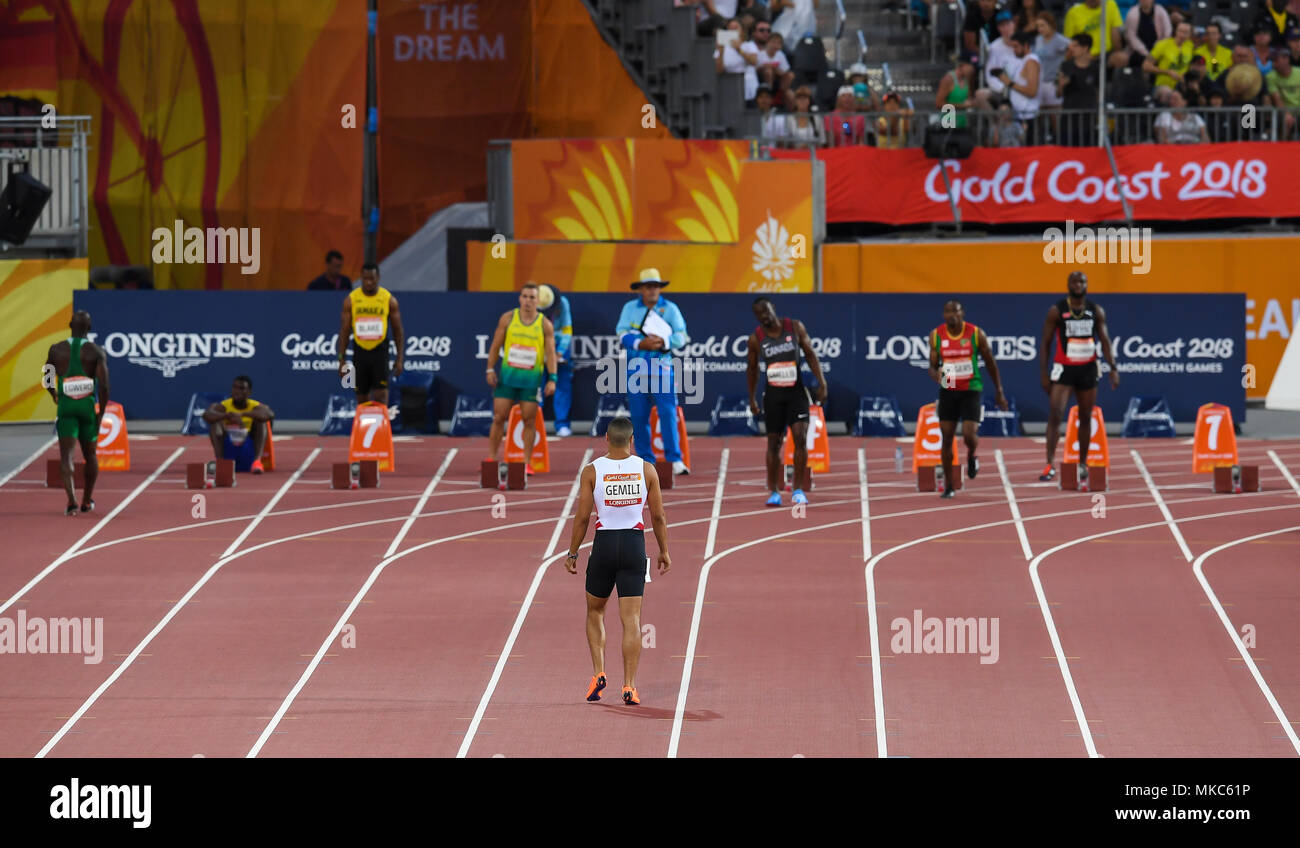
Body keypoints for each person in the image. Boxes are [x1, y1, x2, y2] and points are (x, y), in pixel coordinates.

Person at [563, 416, 670, 706]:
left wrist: (572, 553)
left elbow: (583, 517)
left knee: (595, 612)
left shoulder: (592, 471)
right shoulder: (647, 469)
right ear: (632, 440)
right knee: (631, 620)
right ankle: (629, 686)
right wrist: (664, 550)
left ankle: (598, 672)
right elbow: (658, 516)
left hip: (604, 545)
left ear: (607, 439)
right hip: (634, 545)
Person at [1038, 271, 1120, 485]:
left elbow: (1105, 340)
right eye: (1074, 281)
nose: (1078, 285)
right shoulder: (1057, 311)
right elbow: (1045, 344)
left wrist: (1113, 367)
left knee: (1085, 416)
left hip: (1088, 369)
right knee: (1055, 413)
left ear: (1086, 284)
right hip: (1064, 369)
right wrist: (1044, 374)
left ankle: (1082, 463)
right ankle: (1049, 463)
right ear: (1068, 284)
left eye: (1082, 281)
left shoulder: (1095, 311)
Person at [745, 297, 827, 507]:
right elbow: (752, 369)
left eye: (765, 310)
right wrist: (752, 398)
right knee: (774, 443)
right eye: (758, 313)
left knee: (800, 437)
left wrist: (822, 382)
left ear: (773, 308)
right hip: (773, 396)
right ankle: (774, 490)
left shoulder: (794, 327)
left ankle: (798, 489)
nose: (763, 315)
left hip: (796, 393)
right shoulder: (756, 338)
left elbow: (810, 354)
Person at [928, 301, 1008, 499]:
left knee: (969, 435)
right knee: (946, 438)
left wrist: (999, 390)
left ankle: (972, 455)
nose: (951, 315)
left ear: (962, 313)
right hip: (949, 387)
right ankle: (949, 485)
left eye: (955, 311)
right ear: (943, 314)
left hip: (971, 387)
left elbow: (990, 362)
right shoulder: (936, 335)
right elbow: (932, 365)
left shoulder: (975, 333)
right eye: (947, 311)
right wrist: (936, 375)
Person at [616, 269, 690, 475]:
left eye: (656, 286)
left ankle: (674, 459)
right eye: (648, 286)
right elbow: (621, 334)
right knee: (639, 417)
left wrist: (662, 342)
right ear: (640, 289)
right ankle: (645, 460)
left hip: (663, 369)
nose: (652, 290)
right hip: (635, 370)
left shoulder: (670, 309)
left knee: (668, 413)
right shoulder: (630, 308)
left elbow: (682, 336)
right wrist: (641, 343)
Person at [485, 283, 558, 470]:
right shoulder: (508, 318)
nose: (528, 301)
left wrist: (552, 379)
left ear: (538, 300)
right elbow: (495, 345)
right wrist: (490, 369)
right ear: (519, 298)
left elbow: (550, 354)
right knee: (498, 417)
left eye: (532, 297)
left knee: (529, 420)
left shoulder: (544, 324)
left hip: (531, 382)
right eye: (524, 296)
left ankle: (526, 463)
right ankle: (491, 459)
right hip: (507, 379)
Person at [45, 311, 109, 515]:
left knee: (67, 456)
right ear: (89, 329)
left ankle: (71, 502)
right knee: (90, 455)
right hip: (86, 408)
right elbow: (105, 387)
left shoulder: (56, 349)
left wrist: (54, 394)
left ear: (70, 325)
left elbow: (47, 377)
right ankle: (87, 500)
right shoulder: (96, 352)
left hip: (66, 407)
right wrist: (101, 413)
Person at [338, 263, 404, 408]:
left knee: (381, 394)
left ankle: (380, 427)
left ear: (378, 278)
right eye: (366, 278)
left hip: (380, 351)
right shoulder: (351, 299)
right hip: (360, 351)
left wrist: (399, 358)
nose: (369, 282)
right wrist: (341, 359)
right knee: (362, 395)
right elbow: (344, 330)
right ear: (361, 277)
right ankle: (365, 428)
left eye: (372, 278)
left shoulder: (388, 299)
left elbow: (397, 330)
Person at [202, 376, 274, 473]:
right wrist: (227, 416)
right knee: (215, 423)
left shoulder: (255, 406)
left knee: (261, 422)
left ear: (249, 392)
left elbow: (269, 414)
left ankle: (257, 462)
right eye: (235, 387)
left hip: (248, 448)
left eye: (241, 388)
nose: (237, 391)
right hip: (229, 449)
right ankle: (220, 462)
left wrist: (243, 414)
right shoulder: (224, 406)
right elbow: (206, 414)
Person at [537, 284, 575, 436]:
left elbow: (567, 329)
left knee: (562, 385)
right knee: (536, 386)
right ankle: (534, 424)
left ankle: (562, 424)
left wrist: (560, 352)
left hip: (559, 344)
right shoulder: (532, 304)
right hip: (539, 345)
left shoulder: (563, 303)